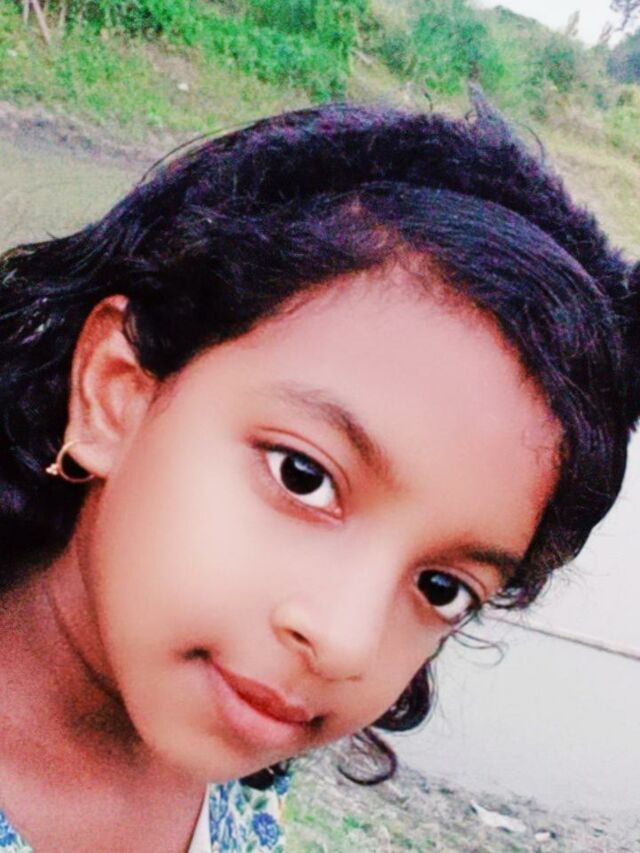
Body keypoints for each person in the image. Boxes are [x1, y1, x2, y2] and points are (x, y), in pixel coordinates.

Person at [0, 100, 636, 852]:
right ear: (115, 395)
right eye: (303, 476)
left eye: (442, 587)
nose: (345, 643)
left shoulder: (233, 752)